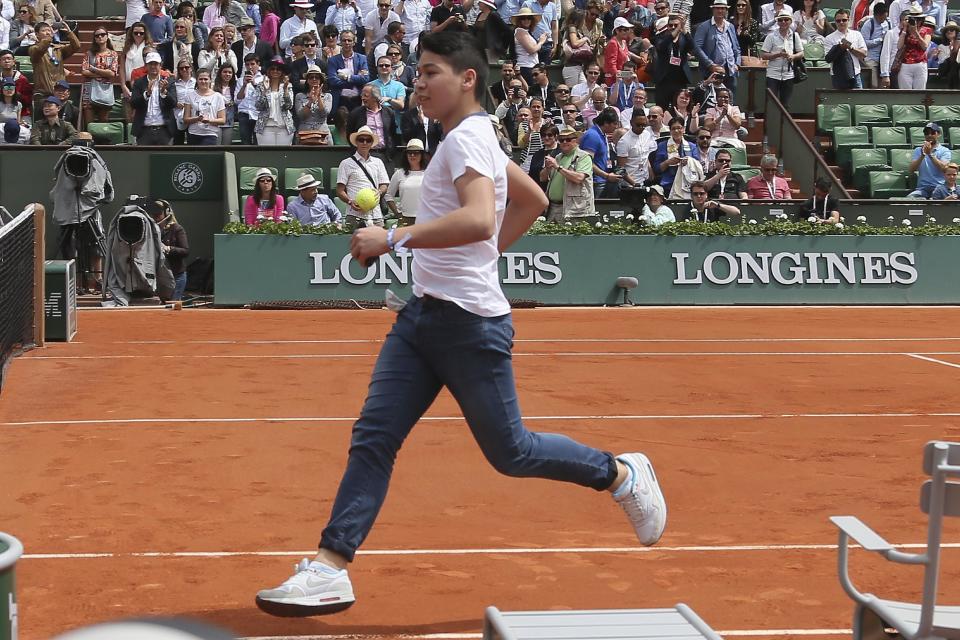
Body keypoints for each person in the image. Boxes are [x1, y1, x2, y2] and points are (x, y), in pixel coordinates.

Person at [256, 34, 666, 616]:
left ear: (467, 78)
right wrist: (480, 257)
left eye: (430, 72)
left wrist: (392, 237)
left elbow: (477, 217)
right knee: (374, 437)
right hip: (423, 317)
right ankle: (330, 567)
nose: (418, 82)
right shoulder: (473, 137)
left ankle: (620, 473)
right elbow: (531, 201)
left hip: (470, 325)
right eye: (417, 73)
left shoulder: (467, 137)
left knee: (512, 452)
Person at [337, 124, 389, 228]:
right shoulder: (345, 163)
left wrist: (379, 192)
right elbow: (340, 191)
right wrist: (350, 201)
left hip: (376, 215)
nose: (364, 143)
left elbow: (384, 185)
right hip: (354, 215)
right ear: (356, 142)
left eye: (368, 140)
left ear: (371, 143)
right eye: (361, 140)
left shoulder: (378, 162)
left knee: (378, 244)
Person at [540, 126, 594, 221]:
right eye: (561, 140)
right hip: (552, 207)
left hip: (573, 209)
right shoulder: (558, 157)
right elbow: (542, 178)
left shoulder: (583, 157)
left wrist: (558, 167)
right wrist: (547, 168)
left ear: (576, 140)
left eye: (568, 139)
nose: (564, 142)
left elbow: (579, 178)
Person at [29, 19, 80, 116]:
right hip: (44, 95)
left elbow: (76, 46)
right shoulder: (33, 49)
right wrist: (49, 38)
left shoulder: (58, 49)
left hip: (60, 94)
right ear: (37, 34)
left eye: (49, 30)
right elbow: (40, 49)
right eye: (44, 30)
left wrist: (69, 32)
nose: (48, 32)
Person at [693, 0, 741, 97]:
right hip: (712, 72)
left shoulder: (730, 26)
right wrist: (710, 65)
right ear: (713, 10)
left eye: (722, 8)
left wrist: (737, 63)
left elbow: (736, 48)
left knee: (730, 100)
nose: (720, 11)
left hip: (730, 70)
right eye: (717, 8)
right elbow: (697, 48)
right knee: (712, 100)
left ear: (726, 10)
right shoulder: (704, 26)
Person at [146, 199, 189, 301]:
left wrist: (168, 248)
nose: (155, 218)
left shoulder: (177, 229)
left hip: (175, 275)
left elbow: (185, 250)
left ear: (167, 213)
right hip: (158, 277)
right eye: (153, 215)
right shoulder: (149, 230)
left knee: (172, 305)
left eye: (158, 214)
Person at [131, 50, 177, 144]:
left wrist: (164, 92)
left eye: (155, 64)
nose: (153, 66)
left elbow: (173, 103)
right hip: (144, 130)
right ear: (146, 66)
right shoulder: (139, 83)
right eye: (150, 64)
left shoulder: (169, 82)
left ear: (160, 65)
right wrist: (146, 94)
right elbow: (133, 103)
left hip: (164, 130)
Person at [652, 14, 694, 110]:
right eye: (671, 25)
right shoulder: (661, 37)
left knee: (679, 108)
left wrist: (684, 30)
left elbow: (692, 46)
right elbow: (661, 47)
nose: (673, 27)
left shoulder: (684, 38)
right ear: (667, 26)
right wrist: (677, 29)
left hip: (679, 80)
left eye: (676, 25)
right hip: (664, 80)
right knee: (662, 108)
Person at [760, 10, 802, 107]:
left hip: (789, 75)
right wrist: (778, 54)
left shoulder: (795, 36)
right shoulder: (770, 36)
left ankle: (783, 122)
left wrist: (793, 56)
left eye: (786, 20)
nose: (783, 22)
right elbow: (763, 55)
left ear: (790, 21)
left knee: (785, 105)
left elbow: (801, 53)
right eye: (781, 20)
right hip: (773, 75)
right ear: (778, 22)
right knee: (771, 104)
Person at [81, 27, 120, 127]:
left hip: (105, 89)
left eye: (102, 34)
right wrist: (104, 73)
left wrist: (94, 70)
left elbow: (112, 73)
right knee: (89, 123)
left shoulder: (113, 54)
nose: (100, 37)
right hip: (89, 89)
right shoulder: (89, 53)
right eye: (97, 35)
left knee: (104, 121)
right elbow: (84, 71)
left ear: (107, 37)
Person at [580, 106, 621, 198]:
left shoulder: (602, 134)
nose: (616, 127)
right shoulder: (592, 135)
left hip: (602, 180)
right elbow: (587, 162)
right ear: (606, 123)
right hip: (596, 182)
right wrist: (606, 175)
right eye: (614, 123)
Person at [385, 137, 427, 224]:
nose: (412, 155)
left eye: (416, 153)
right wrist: (397, 213)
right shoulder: (399, 173)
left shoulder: (430, 173)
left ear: (422, 155)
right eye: (409, 153)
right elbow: (388, 195)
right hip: (405, 219)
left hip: (425, 219)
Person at [654, 116, 700, 194]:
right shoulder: (662, 145)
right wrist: (668, 162)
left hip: (688, 183)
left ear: (683, 129)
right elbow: (657, 169)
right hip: (668, 183)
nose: (676, 131)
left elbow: (697, 165)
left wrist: (688, 163)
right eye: (673, 128)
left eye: (679, 128)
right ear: (670, 130)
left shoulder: (692, 146)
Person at [254, 56, 294, 144]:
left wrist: (285, 90)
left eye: (278, 69)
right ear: (269, 70)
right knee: (267, 156)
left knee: (284, 155)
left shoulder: (288, 85)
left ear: (282, 71)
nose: (275, 71)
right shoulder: (261, 85)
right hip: (265, 127)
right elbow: (258, 106)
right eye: (272, 69)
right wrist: (265, 90)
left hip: (284, 127)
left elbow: (289, 106)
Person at [824, 9, 867, 88]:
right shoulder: (829, 38)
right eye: (838, 21)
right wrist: (839, 48)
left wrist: (851, 48)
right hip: (838, 75)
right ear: (835, 22)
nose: (841, 22)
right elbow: (828, 58)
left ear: (848, 20)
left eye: (844, 20)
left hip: (855, 73)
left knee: (858, 99)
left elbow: (864, 54)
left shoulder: (857, 34)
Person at [907, 121, 951, 198]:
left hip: (939, 187)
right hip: (923, 188)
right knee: (910, 198)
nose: (929, 135)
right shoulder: (918, 150)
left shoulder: (944, 151)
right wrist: (922, 155)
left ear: (938, 134)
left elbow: (944, 168)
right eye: (927, 133)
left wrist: (930, 154)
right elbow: (911, 170)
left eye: (933, 132)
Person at [327, 30, 367, 113]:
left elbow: (365, 78)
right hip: (340, 99)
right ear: (340, 42)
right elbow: (332, 81)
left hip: (358, 99)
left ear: (354, 42)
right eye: (344, 40)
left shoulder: (362, 58)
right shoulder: (333, 60)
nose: (347, 43)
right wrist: (356, 79)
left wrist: (347, 77)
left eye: (349, 40)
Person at [183, 67, 226, 144]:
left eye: (206, 79)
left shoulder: (218, 96)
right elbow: (186, 119)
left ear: (210, 80)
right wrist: (197, 119)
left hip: (210, 134)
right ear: (197, 80)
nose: (203, 81)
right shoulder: (190, 96)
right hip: (193, 133)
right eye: (201, 79)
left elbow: (222, 120)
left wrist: (209, 121)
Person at [616, 109, 656, 189]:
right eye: (638, 125)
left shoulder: (647, 135)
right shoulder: (624, 141)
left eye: (644, 125)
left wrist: (650, 171)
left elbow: (645, 155)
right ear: (631, 123)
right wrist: (634, 184)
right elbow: (620, 169)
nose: (641, 127)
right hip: (630, 184)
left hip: (645, 179)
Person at [896, 7, 933, 88]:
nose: (916, 22)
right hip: (905, 64)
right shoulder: (905, 31)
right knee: (905, 93)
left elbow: (924, 47)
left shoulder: (927, 30)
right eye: (914, 19)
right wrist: (905, 29)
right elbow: (899, 46)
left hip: (920, 64)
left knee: (919, 92)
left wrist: (916, 32)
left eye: (918, 20)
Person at [294, 65, 331, 144]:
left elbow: (324, 113)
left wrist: (319, 97)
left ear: (321, 80)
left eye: (317, 77)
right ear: (307, 80)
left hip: (322, 133)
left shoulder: (328, 96)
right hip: (304, 133)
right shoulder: (299, 96)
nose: (314, 79)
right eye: (311, 77)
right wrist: (310, 101)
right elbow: (301, 115)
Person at [859, 2, 889, 86]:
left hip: (884, 60)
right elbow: (864, 43)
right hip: (871, 60)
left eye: (885, 17)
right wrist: (880, 40)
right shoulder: (868, 25)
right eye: (882, 17)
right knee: (874, 85)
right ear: (877, 15)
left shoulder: (887, 23)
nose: (883, 19)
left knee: (884, 86)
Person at [0, 49, 31, 119]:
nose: (6, 61)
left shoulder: (22, 80)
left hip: (22, 113)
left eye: (9, 59)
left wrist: (16, 95)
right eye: (3, 59)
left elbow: (28, 101)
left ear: (14, 62)